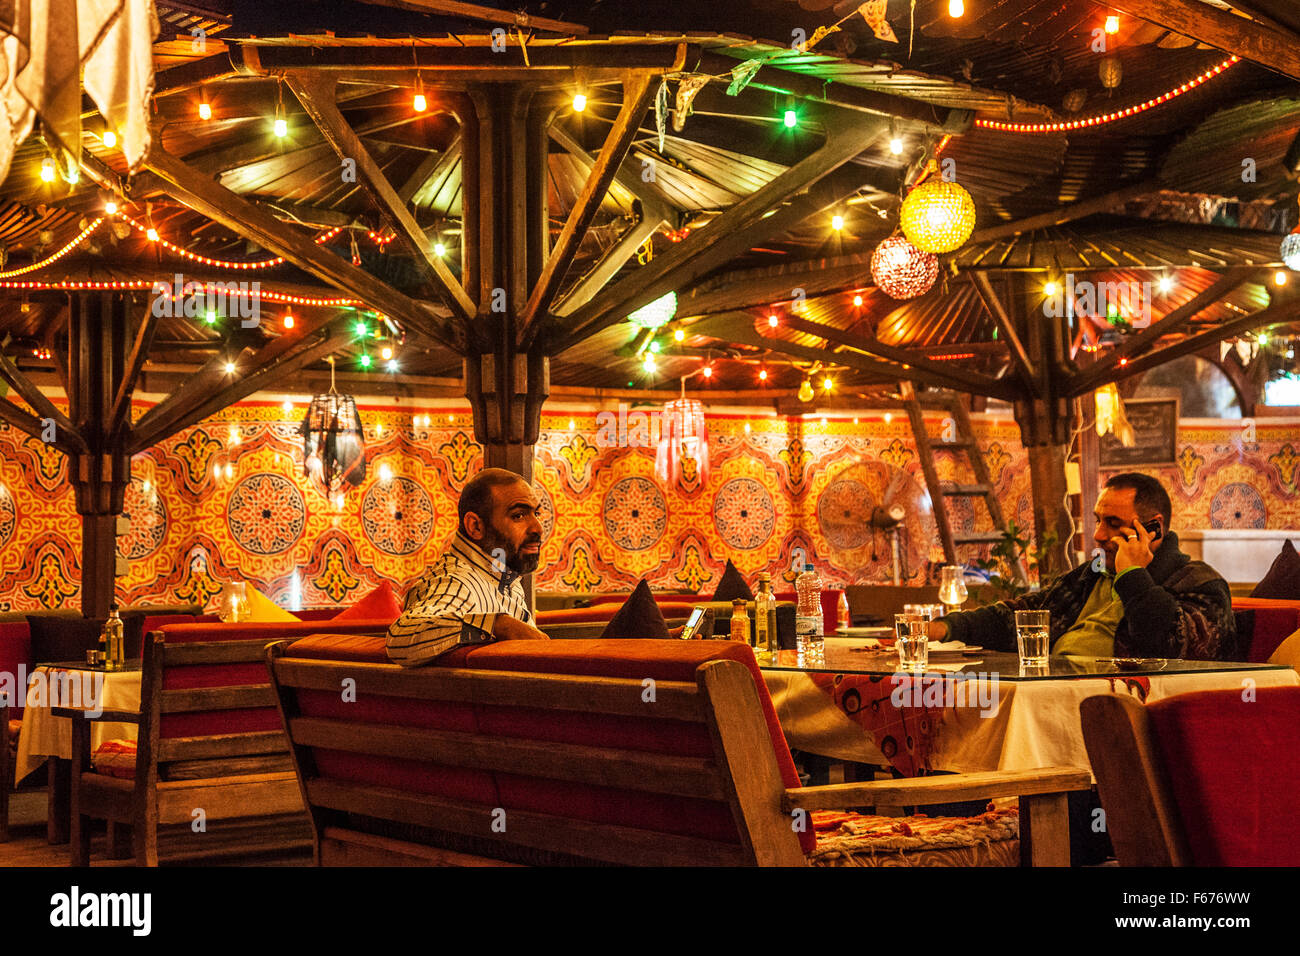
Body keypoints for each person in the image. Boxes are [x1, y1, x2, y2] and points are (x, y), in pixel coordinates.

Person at [932, 472, 1237, 660]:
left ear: (1154, 527)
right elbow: (1026, 613)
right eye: (1098, 520)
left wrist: (1133, 575)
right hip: (1056, 689)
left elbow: (1169, 646)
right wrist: (946, 627)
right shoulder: (1092, 574)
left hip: (1124, 709)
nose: (1098, 535)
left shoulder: (1200, 583)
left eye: (1113, 523)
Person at [387, 468, 549, 666]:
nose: (538, 527)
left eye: (536, 513)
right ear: (475, 527)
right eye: (518, 516)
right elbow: (401, 638)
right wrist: (498, 625)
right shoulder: (457, 581)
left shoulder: (502, 576)